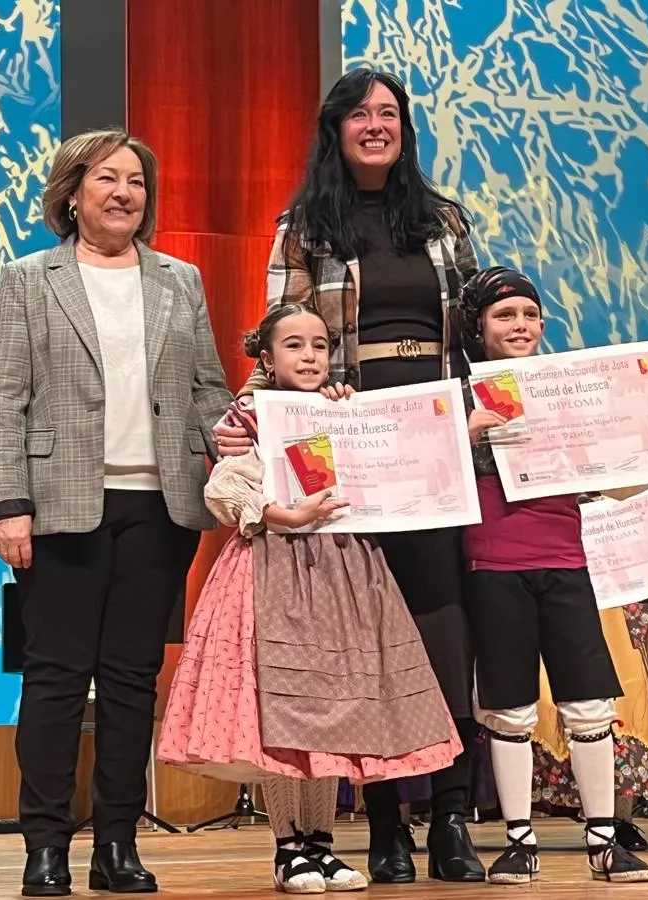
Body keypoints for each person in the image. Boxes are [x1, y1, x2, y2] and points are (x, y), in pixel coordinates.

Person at [211, 68, 486, 884]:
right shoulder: (303, 228)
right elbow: (279, 336)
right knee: (367, 636)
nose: (376, 124)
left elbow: (478, 332)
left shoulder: (445, 221)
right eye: (360, 113)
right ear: (335, 129)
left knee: (443, 627)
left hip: (433, 447)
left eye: (389, 113)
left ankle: (452, 818)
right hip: (347, 446)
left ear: (406, 128)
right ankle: (387, 825)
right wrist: (249, 419)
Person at [0, 128, 233, 896]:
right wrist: (8, 504)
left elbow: (208, 391)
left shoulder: (180, 280)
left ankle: (117, 846)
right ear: (72, 193)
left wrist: (244, 446)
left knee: (131, 682)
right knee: (56, 681)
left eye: (137, 181)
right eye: (108, 179)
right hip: (59, 506)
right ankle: (45, 847)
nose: (125, 193)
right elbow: (5, 400)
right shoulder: (29, 279)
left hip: (161, 506)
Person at [158, 303, 463, 893]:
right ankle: (288, 847)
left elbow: (398, 463)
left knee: (334, 706)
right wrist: (283, 515)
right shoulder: (252, 415)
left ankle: (321, 844)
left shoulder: (345, 409)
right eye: (294, 345)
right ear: (268, 359)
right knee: (285, 708)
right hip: (275, 566)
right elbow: (225, 486)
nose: (309, 356)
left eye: (320, 345)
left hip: (345, 570)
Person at [459, 266, 648, 884]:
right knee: (508, 708)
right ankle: (518, 842)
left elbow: (625, 478)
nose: (520, 326)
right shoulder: (460, 395)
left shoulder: (572, 390)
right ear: (478, 327)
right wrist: (465, 431)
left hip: (566, 563)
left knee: (589, 703)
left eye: (530, 315)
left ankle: (604, 842)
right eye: (505, 315)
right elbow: (430, 477)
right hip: (493, 564)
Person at [527, 598, 648, 853]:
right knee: (573, 705)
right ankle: (596, 819)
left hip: (626, 605)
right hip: (578, 601)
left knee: (631, 709)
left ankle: (622, 818)